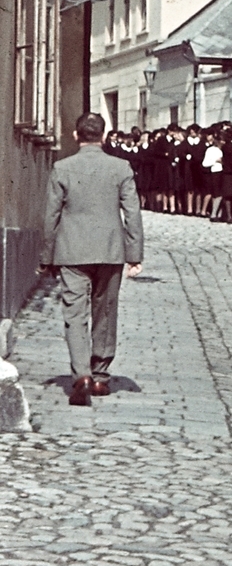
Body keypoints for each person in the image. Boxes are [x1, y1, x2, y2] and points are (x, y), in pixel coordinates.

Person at [40, 112, 144, 407]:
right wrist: (134, 253)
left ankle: (80, 374)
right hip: (110, 250)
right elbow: (132, 212)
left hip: (71, 250)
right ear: (104, 135)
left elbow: (51, 215)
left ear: (76, 135)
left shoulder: (62, 167)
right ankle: (100, 376)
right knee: (105, 311)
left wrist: (46, 256)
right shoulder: (120, 167)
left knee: (74, 314)